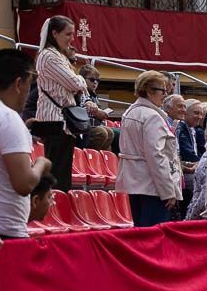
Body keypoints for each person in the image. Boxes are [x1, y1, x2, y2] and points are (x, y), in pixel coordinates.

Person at [0, 49, 51, 241]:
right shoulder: (8, 119)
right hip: (5, 231)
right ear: (19, 83)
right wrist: (42, 164)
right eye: (30, 84)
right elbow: (24, 183)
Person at [117, 71, 183, 226]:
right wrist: (168, 190)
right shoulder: (152, 116)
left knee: (141, 234)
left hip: (135, 183)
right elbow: (157, 156)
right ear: (149, 91)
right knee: (152, 237)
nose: (165, 95)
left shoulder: (130, 112)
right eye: (163, 90)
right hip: (153, 186)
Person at [32, 16, 87, 191]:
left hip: (62, 121)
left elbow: (76, 84)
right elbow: (76, 84)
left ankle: (57, 209)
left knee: (62, 172)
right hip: (54, 120)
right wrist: (79, 79)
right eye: (68, 34)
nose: (72, 38)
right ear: (54, 33)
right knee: (56, 174)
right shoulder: (49, 56)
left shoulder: (58, 56)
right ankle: (52, 213)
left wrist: (77, 81)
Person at [77, 65, 115, 152]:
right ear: (82, 79)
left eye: (97, 80)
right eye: (92, 80)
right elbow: (79, 109)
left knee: (111, 133)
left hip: (93, 125)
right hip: (81, 127)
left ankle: (102, 161)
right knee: (101, 133)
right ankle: (87, 158)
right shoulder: (80, 90)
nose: (95, 83)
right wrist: (96, 113)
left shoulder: (94, 96)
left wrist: (100, 115)